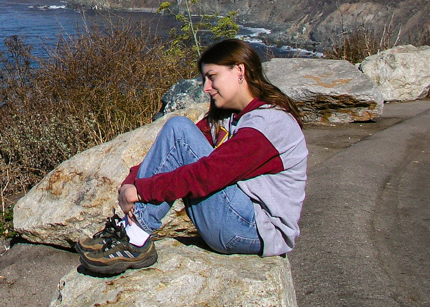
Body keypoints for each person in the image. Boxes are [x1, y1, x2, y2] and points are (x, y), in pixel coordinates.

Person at [77, 38, 308, 276]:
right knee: (178, 131)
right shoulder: (231, 117)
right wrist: (131, 182)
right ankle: (130, 231)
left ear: (239, 70)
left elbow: (207, 175)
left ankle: (134, 237)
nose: (206, 87)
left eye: (212, 76)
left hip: (255, 229)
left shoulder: (271, 123)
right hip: (236, 221)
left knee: (178, 128)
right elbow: (172, 153)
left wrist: (142, 191)